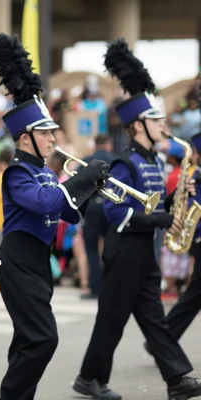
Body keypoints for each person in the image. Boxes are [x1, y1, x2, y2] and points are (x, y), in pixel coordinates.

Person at [73, 38, 201, 400]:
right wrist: (161, 220)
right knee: (111, 321)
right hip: (124, 250)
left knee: (155, 319)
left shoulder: (153, 162)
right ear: (138, 126)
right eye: (156, 119)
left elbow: (159, 204)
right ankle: (89, 379)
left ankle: (176, 380)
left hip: (145, 252)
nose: (164, 124)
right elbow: (117, 213)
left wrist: (179, 197)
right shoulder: (124, 162)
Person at [0, 33, 110, 400]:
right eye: (45, 132)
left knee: (27, 339)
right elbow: (44, 203)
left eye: (53, 131)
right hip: (19, 259)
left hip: (39, 260)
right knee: (43, 338)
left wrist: (90, 190)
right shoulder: (17, 173)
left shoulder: (43, 170)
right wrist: (79, 178)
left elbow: (67, 213)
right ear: (25, 139)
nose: (54, 138)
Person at [143, 130, 201, 350]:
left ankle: (160, 340)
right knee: (194, 294)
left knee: (194, 295)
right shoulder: (195, 176)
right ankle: (160, 341)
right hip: (198, 236)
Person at [80, 135, 115, 299]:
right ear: (108, 144)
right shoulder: (115, 160)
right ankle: (111, 286)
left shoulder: (86, 160)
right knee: (111, 247)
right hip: (111, 206)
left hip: (92, 206)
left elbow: (78, 187)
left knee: (91, 249)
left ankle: (95, 287)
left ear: (95, 145)